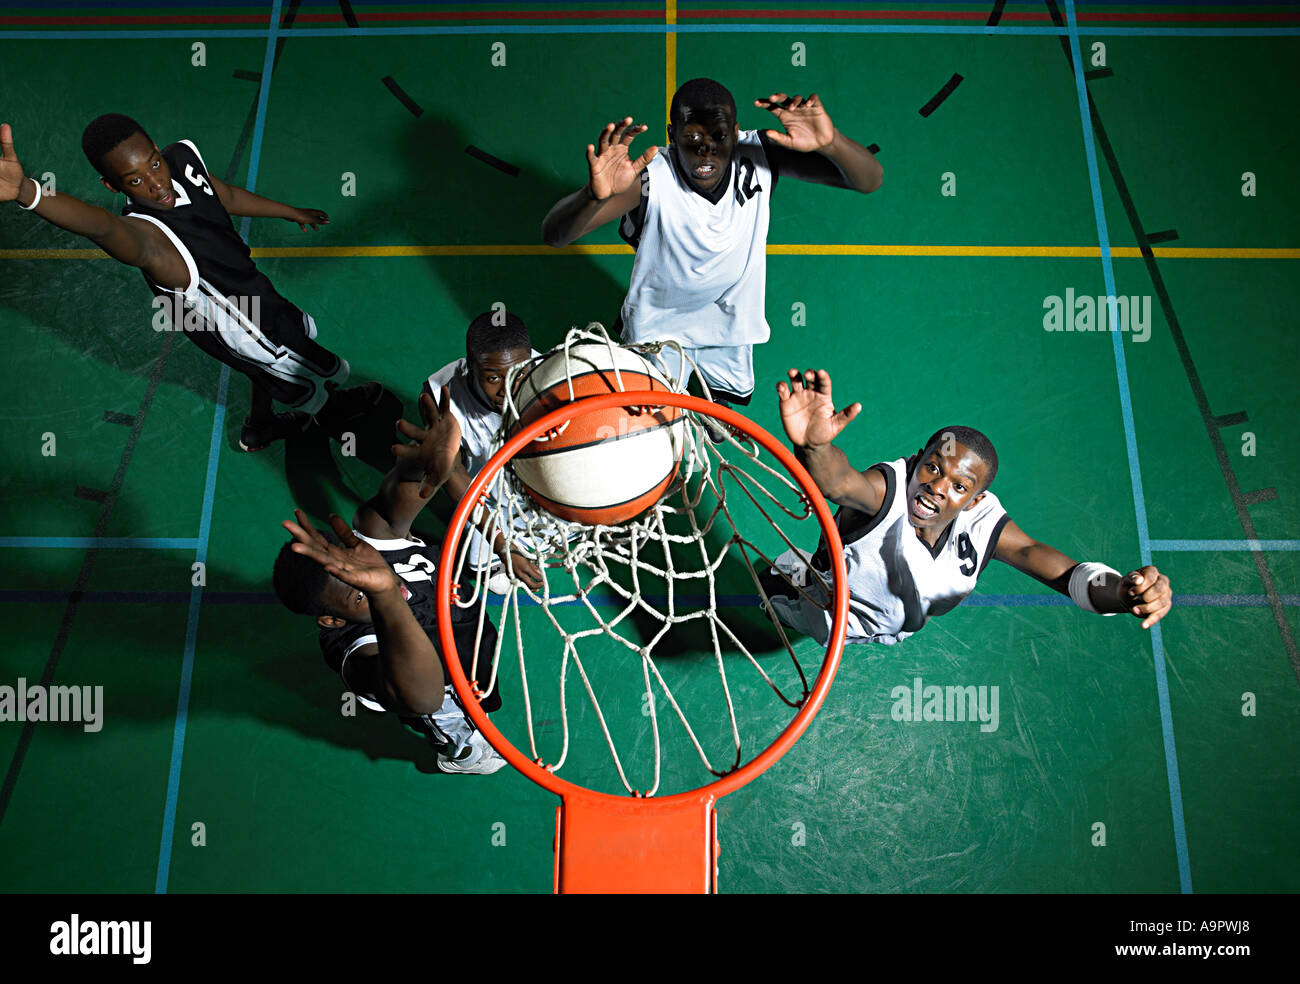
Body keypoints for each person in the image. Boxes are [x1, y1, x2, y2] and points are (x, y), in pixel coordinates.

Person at [0, 116, 378, 452]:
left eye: (154, 163)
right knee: (300, 376)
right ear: (112, 186)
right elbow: (102, 225)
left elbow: (222, 194)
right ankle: (342, 420)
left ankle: (259, 426)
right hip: (241, 323)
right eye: (135, 180)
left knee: (265, 364)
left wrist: (287, 211)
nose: (156, 182)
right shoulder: (149, 238)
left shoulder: (181, 162)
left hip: (251, 290)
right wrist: (26, 192)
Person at [763, 369, 1173, 646]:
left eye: (959, 485)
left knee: (895, 617)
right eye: (933, 468)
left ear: (975, 499)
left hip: (901, 622)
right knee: (785, 611)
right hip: (833, 612)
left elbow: (1065, 574)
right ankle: (793, 583)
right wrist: (816, 447)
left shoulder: (982, 519)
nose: (938, 488)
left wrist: (1121, 592)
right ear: (916, 458)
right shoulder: (885, 490)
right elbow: (839, 483)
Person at [541, 78, 882, 411]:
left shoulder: (761, 153)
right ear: (672, 135)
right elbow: (555, 235)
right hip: (658, 325)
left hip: (730, 320)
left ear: (735, 133)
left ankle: (710, 404)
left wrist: (831, 141)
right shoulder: (651, 175)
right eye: (692, 138)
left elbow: (870, 180)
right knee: (651, 423)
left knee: (720, 414)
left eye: (719, 136)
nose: (706, 150)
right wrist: (593, 197)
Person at [273, 388, 506, 774]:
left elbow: (405, 491)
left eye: (360, 568)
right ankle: (461, 756)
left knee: (482, 684)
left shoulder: (372, 536)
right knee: (460, 727)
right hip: (445, 691)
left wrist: (426, 462)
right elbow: (425, 699)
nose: (377, 581)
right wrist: (383, 594)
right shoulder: (355, 653)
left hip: (469, 642)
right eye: (357, 596)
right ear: (332, 620)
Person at [421, 310, 545, 592]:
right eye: (493, 379)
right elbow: (453, 473)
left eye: (519, 373)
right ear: (470, 369)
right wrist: (502, 545)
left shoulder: (550, 375)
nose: (509, 389)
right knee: (500, 582)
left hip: (536, 472)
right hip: (484, 489)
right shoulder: (441, 397)